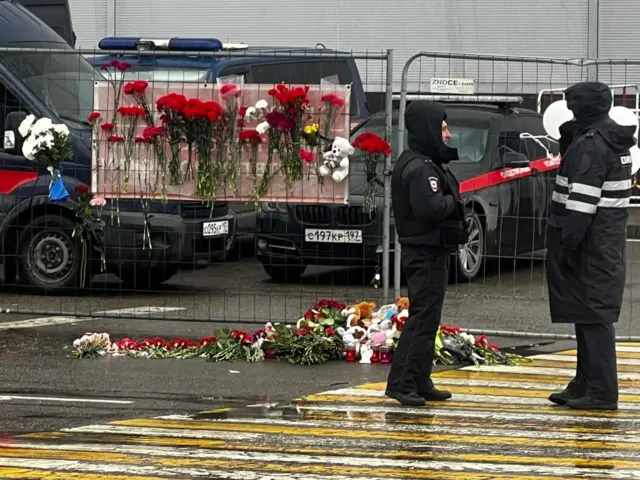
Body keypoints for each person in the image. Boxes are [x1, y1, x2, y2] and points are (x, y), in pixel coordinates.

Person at [546, 81, 634, 411]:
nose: (569, 111)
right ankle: (584, 381)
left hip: (590, 243)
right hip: (601, 241)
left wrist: (566, 245)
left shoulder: (592, 145)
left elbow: (582, 204)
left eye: (572, 105)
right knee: (586, 312)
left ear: (584, 108)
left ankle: (601, 392)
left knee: (595, 316)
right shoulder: (606, 138)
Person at [385, 100, 468, 407]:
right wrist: (454, 202)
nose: (447, 135)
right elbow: (430, 208)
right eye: (443, 128)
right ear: (429, 130)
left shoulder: (423, 162)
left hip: (431, 249)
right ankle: (402, 383)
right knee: (422, 318)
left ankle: (420, 379)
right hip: (425, 251)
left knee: (429, 318)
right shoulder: (420, 168)